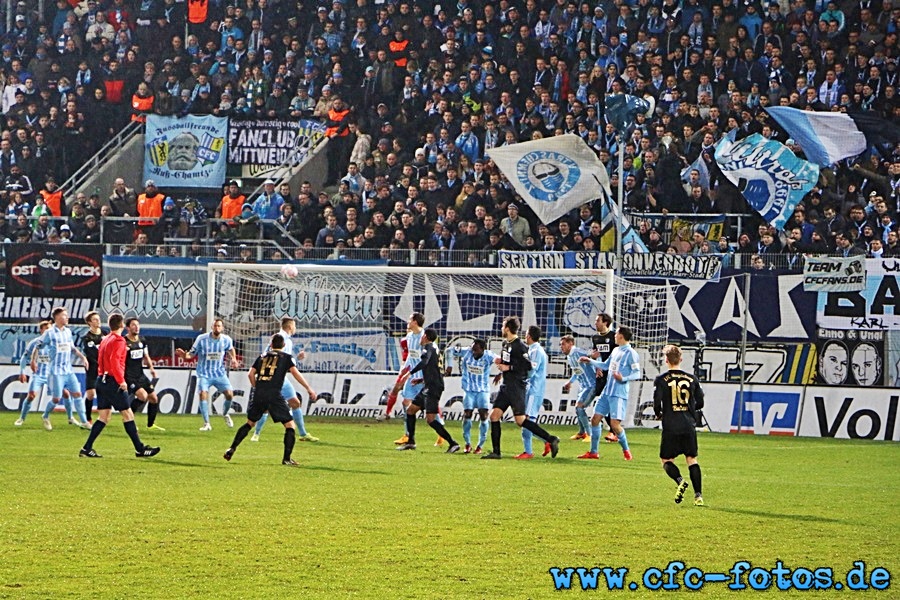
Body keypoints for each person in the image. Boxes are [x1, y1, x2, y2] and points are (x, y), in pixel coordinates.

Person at [224, 334, 316, 466]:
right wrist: (308, 388)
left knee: (249, 423)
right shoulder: (286, 358)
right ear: (283, 346)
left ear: (271, 345)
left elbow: (250, 374)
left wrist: (257, 387)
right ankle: (286, 459)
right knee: (290, 426)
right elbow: (296, 374)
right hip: (274, 394)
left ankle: (232, 448)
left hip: (259, 393)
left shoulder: (262, 356)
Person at [78, 313, 161, 459]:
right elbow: (115, 361)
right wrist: (121, 381)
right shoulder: (119, 341)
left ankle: (86, 448)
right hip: (112, 382)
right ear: (122, 325)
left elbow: (101, 359)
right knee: (127, 414)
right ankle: (140, 449)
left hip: (101, 380)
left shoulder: (106, 339)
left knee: (103, 417)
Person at [482, 317, 560, 460]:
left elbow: (528, 366)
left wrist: (509, 367)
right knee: (494, 416)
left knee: (521, 421)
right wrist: (501, 366)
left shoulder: (520, 346)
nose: (501, 328)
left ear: (507, 328)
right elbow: (508, 361)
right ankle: (496, 452)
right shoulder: (506, 343)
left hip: (516, 388)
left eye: (502, 326)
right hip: (506, 387)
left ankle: (551, 439)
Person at [579, 326, 641, 461]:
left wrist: (623, 378)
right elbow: (606, 365)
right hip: (607, 392)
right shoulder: (616, 350)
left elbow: (637, 373)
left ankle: (626, 450)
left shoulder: (631, 353)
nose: (614, 335)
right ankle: (594, 452)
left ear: (621, 336)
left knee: (614, 425)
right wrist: (590, 361)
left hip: (618, 394)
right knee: (595, 419)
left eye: (616, 333)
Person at [251, 317, 318, 442]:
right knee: (266, 407)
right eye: (295, 326)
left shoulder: (282, 339)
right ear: (290, 327)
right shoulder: (281, 339)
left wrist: (297, 358)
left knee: (295, 403)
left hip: (281, 378)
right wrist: (308, 388)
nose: (295, 328)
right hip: (273, 379)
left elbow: (286, 363)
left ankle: (303, 434)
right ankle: (256, 433)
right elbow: (279, 362)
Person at [653, 344, 705, 506]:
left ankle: (680, 481)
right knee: (692, 459)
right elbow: (700, 402)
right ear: (681, 359)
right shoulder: (692, 379)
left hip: (671, 425)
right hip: (688, 425)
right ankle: (698, 496)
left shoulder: (661, 380)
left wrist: (660, 413)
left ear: (666, 360)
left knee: (666, 460)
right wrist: (689, 409)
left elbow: (656, 403)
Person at [396, 329, 460, 452]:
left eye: (422, 336)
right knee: (410, 411)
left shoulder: (428, 347)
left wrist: (409, 373)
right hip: (429, 385)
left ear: (425, 336)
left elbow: (424, 362)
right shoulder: (435, 348)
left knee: (430, 419)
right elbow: (435, 370)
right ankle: (411, 442)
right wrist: (421, 380)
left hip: (433, 388)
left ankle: (453, 443)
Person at [176, 318, 240, 431]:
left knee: (229, 395)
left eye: (219, 326)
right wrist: (184, 356)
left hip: (219, 373)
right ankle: (206, 423)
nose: (217, 328)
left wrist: (234, 359)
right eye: (215, 326)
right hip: (204, 373)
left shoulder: (226, 339)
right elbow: (191, 354)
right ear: (212, 327)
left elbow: (230, 349)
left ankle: (225, 414)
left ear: (222, 328)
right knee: (202, 394)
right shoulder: (201, 339)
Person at [392, 312, 446, 447]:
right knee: (406, 403)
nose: (407, 322)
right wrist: (405, 369)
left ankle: (441, 432)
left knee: (428, 409)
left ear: (415, 322)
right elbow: (411, 355)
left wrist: (420, 376)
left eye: (409, 320)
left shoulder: (426, 337)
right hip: (411, 376)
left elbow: (430, 359)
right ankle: (408, 435)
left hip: (423, 378)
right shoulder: (409, 337)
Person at [35, 307, 90, 430]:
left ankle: (84, 421)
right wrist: (34, 360)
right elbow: (38, 345)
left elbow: (72, 348)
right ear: (58, 318)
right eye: (65, 315)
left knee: (77, 393)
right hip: (56, 371)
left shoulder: (68, 332)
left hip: (68, 370)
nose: (67, 317)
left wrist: (83, 358)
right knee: (56, 398)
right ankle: (45, 416)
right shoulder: (49, 333)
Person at [445, 338, 497, 454]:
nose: (473, 352)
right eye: (473, 349)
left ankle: (480, 445)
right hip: (469, 390)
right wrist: (449, 365)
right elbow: (449, 350)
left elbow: (502, 361)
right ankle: (467, 443)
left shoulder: (489, 356)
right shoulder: (466, 351)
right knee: (467, 414)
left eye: (476, 350)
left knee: (483, 416)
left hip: (482, 390)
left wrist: (501, 374)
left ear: (483, 349)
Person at [125, 318, 164, 431]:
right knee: (143, 396)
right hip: (129, 376)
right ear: (128, 328)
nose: (136, 327)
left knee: (154, 398)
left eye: (137, 325)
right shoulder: (124, 342)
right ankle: (129, 420)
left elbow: (146, 356)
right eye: (133, 325)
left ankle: (151, 425)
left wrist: (151, 369)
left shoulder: (142, 340)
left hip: (140, 375)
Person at [518, 325, 549, 460]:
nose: (525, 336)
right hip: (531, 389)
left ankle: (528, 452)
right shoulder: (533, 350)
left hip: (534, 390)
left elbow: (532, 371)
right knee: (526, 421)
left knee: (526, 421)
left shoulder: (536, 351)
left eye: (526, 334)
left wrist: (520, 377)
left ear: (529, 336)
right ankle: (547, 440)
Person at [14, 320, 53, 427]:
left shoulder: (55, 342)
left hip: (52, 375)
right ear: (41, 330)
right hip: (38, 374)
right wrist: (22, 371)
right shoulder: (34, 343)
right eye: (46, 329)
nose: (49, 331)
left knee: (63, 395)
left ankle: (50, 416)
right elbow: (24, 357)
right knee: (31, 396)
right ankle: (21, 418)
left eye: (50, 328)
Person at [591, 313, 619, 444]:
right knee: (602, 401)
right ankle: (614, 431)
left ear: (605, 323)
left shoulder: (613, 337)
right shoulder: (595, 338)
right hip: (601, 374)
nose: (595, 323)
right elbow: (595, 354)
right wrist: (597, 366)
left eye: (598, 321)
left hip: (613, 374)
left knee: (610, 402)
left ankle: (615, 431)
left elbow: (619, 355)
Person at [81, 311, 107, 427]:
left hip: (104, 369)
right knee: (90, 394)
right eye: (95, 319)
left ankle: (102, 417)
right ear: (89, 323)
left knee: (103, 393)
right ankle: (88, 418)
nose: (98, 321)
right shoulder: (87, 337)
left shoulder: (105, 334)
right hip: (92, 368)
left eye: (98, 319)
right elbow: (88, 353)